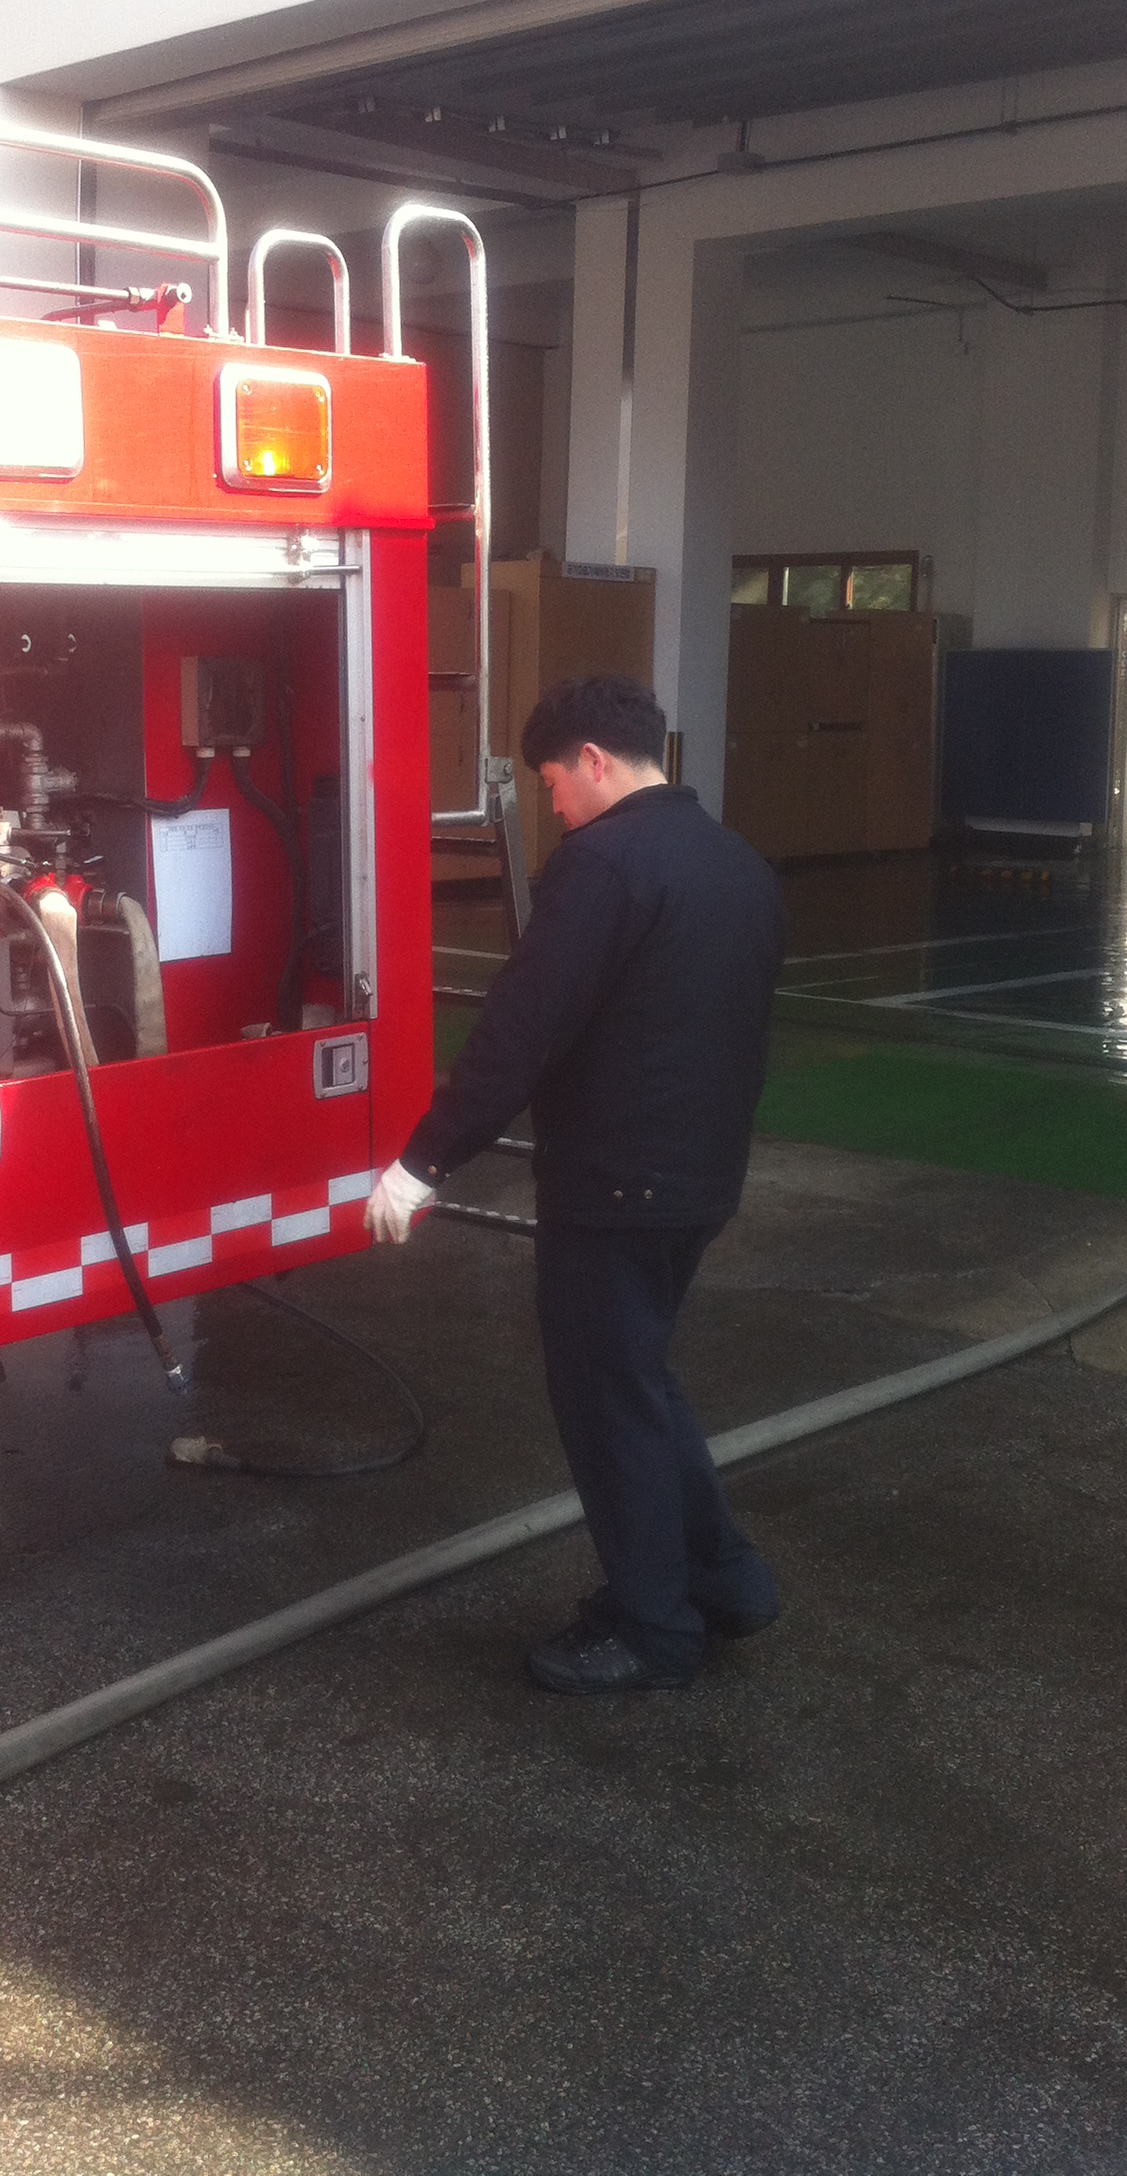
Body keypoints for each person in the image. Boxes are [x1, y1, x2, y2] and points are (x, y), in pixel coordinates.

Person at [366, 673, 787, 1696]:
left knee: (607, 1404)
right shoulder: (735, 862)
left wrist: (423, 1161)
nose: (552, 803)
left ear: (593, 761)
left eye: (552, 781)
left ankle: (651, 1628)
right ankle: (724, 1582)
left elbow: (522, 1031)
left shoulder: (601, 865)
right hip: (698, 1181)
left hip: (613, 1189)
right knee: (639, 1382)